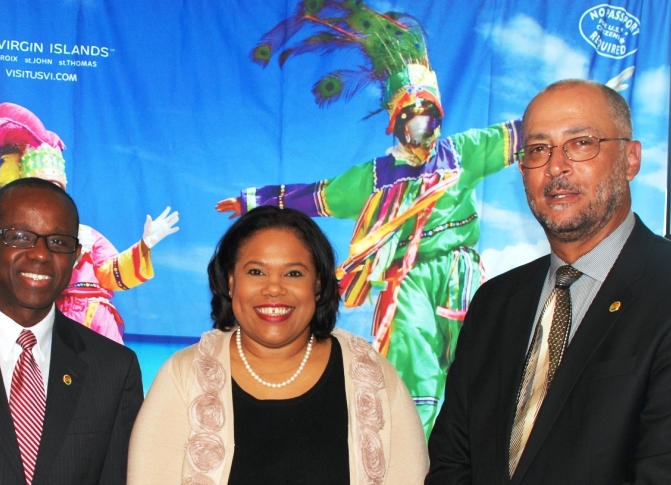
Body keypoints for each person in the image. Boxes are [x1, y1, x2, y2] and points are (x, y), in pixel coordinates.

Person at [216, 0, 521, 437]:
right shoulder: (376, 177)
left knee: (479, 366)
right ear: (397, 122)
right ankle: (414, 457)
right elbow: (315, 196)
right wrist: (252, 200)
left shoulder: (462, 153)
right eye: (414, 119)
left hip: (463, 275)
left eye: (431, 117)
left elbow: (523, 136)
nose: (425, 129)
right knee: (412, 364)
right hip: (408, 281)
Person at [426, 79, 671, 483]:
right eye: (538, 149)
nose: (556, 166)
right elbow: (452, 464)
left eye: (581, 143)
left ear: (630, 159)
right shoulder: (495, 302)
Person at [128, 206, 427, 484]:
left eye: (293, 273)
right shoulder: (184, 377)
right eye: (256, 272)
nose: (274, 288)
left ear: (319, 285)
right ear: (231, 282)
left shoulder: (373, 378)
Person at [0, 177, 144, 484]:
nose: (41, 254)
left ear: (75, 257)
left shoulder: (114, 369)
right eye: (20, 237)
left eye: (58, 241)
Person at [0, 102, 180, 344]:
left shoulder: (86, 234)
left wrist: (145, 245)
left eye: (55, 190)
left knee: (107, 377)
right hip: (49, 317)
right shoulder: (16, 240)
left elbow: (111, 275)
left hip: (95, 318)